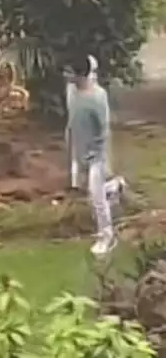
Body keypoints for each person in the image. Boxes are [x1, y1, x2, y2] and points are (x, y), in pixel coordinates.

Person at [66, 54, 119, 256]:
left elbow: (104, 130)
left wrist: (97, 156)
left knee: (95, 197)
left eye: (69, 72)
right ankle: (114, 186)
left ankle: (106, 236)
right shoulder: (71, 90)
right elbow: (72, 119)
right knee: (86, 189)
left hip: (97, 154)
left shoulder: (98, 97)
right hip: (78, 148)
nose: (65, 75)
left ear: (80, 74)